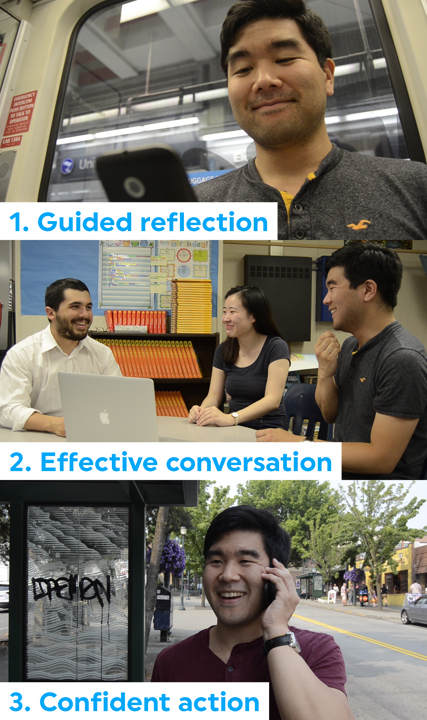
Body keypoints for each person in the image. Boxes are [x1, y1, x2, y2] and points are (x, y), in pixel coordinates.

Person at [195, 0, 427, 240]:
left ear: (327, 75)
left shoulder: (415, 187)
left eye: (284, 59)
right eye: (243, 69)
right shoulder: (195, 209)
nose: (263, 80)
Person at [152, 506, 353, 720]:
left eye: (245, 561)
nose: (228, 575)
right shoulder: (171, 661)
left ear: (277, 575)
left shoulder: (316, 651)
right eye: (216, 561)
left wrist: (277, 632)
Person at [257, 244, 427, 479]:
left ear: (368, 290)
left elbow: (381, 459)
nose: (326, 300)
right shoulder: (350, 346)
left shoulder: (401, 358)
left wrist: (298, 445)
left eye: (332, 287)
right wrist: (326, 373)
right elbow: (330, 415)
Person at [0, 278, 121, 436]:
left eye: (88, 307)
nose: (85, 315)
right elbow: (8, 409)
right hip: (37, 440)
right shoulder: (22, 354)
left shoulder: (102, 353)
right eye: (75, 307)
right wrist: (53, 424)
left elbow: (118, 402)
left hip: (91, 437)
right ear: (51, 313)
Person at [188, 285, 290, 429]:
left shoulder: (276, 347)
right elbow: (214, 396)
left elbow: (273, 400)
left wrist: (232, 418)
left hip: (268, 427)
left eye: (232, 312)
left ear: (253, 316)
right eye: (224, 312)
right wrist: (201, 412)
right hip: (235, 426)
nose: (226, 318)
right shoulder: (223, 350)